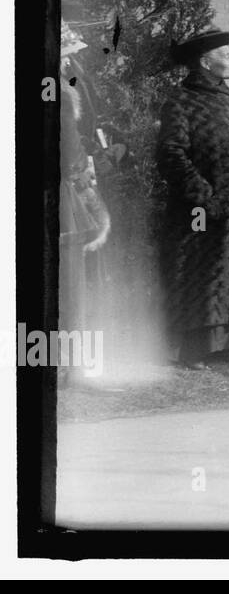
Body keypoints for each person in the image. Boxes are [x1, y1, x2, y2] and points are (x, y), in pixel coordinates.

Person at [156, 30, 229, 369]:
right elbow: (170, 153)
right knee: (200, 267)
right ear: (205, 61)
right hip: (199, 207)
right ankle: (197, 348)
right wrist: (204, 197)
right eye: (226, 53)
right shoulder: (181, 99)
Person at [59, 21, 111, 376]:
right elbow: (68, 149)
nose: (72, 63)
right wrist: (86, 177)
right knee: (69, 276)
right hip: (64, 191)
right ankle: (68, 363)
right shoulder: (61, 93)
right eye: (70, 55)